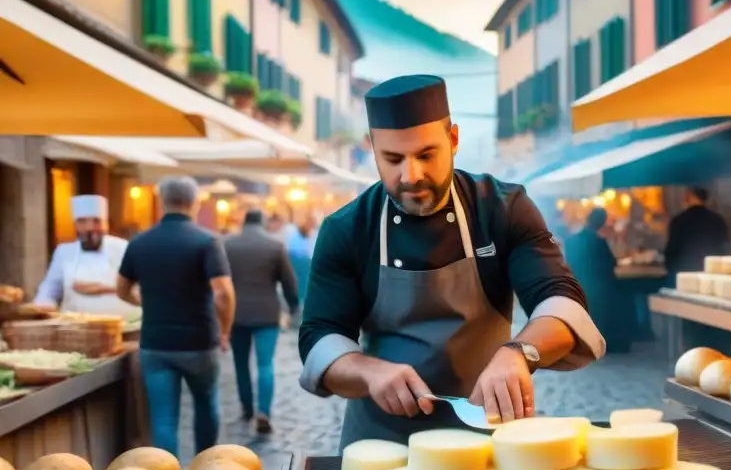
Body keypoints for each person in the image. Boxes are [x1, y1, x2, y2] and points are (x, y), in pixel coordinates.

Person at [298, 74, 605, 449]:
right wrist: (368, 371)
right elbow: (319, 337)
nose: (411, 176)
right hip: (382, 445)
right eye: (393, 159)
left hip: (489, 435)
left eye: (426, 155)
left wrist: (519, 354)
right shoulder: (347, 229)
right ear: (371, 149)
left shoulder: (503, 209)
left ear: (453, 140)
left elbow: (560, 299)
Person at [116, 177, 236, 458]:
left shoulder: (140, 242)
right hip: (199, 342)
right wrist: (226, 330)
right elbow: (224, 294)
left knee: (163, 419)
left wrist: (141, 300)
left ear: (162, 202)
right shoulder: (207, 241)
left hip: (156, 344)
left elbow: (121, 288)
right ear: (195, 203)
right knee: (206, 407)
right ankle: (204, 468)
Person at [223, 209, 300, 434]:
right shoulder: (274, 247)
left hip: (236, 315)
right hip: (266, 314)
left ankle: (246, 407)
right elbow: (289, 282)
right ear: (263, 223)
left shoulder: (227, 246)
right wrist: (293, 306)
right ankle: (264, 411)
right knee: (265, 364)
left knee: (240, 363)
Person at [34, 195, 140, 318]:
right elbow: (49, 289)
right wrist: (43, 304)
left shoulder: (124, 248)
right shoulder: (64, 252)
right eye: (82, 221)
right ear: (75, 224)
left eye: (96, 221)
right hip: (75, 327)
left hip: (124, 326)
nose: (90, 228)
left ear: (106, 224)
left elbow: (141, 287)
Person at [563, 208, 628, 353]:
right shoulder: (598, 241)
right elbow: (611, 264)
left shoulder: (571, 241)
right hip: (599, 287)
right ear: (602, 223)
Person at [663, 187, 730, 276]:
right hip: (711, 275)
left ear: (689, 196)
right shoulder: (718, 221)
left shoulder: (679, 221)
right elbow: (725, 250)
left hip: (685, 275)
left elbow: (671, 251)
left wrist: (671, 271)